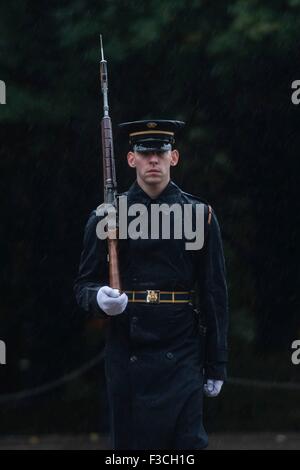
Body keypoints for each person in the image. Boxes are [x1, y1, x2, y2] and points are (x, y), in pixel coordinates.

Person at [74, 119, 228, 450]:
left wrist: (217, 362)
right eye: (145, 154)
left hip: (182, 349)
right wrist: (99, 297)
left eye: (160, 152)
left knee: (187, 446)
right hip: (129, 347)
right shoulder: (107, 216)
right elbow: (83, 285)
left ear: (174, 157)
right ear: (131, 160)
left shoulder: (200, 216)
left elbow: (214, 293)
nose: (153, 160)